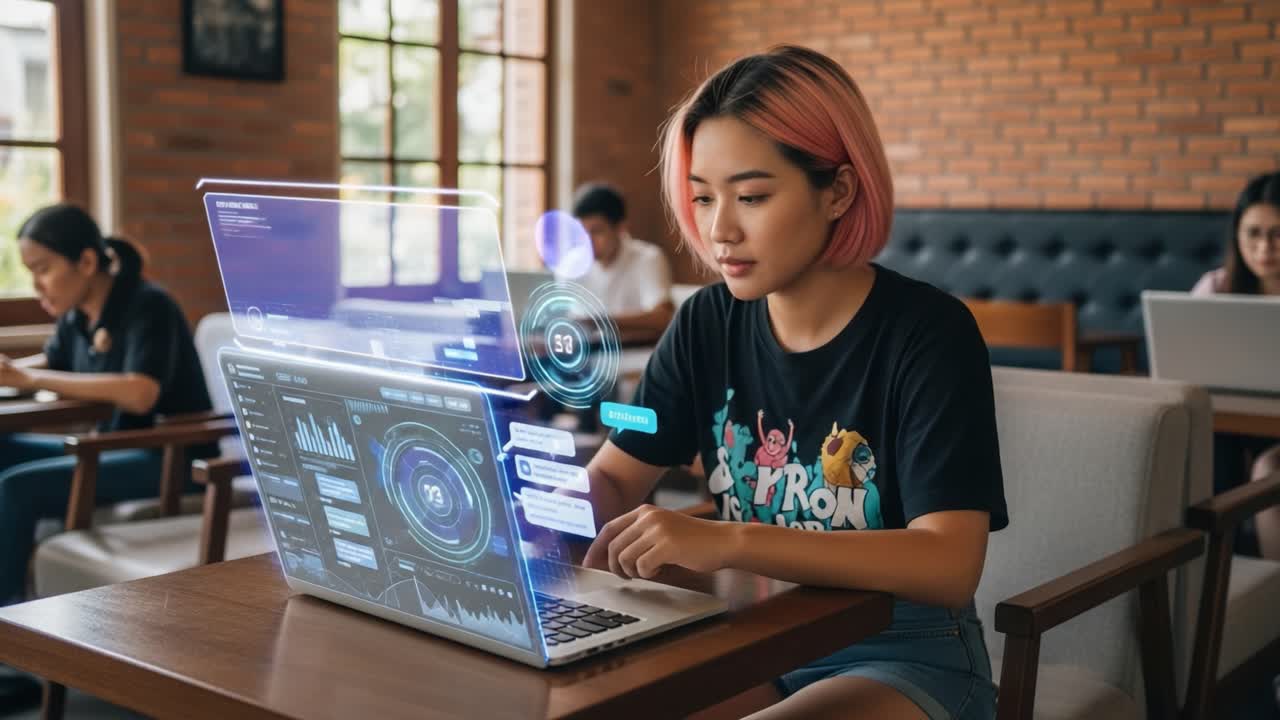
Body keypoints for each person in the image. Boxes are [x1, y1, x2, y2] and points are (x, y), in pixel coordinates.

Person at [577, 46, 1007, 719]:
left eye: (750, 196)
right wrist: (531, 507)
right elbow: (613, 477)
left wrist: (729, 538)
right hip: (751, 642)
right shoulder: (704, 325)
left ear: (837, 189)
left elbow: (948, 563)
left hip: (903, 654)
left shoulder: (928, 334)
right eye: (702, 197)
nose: (719, 230)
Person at [0, 204, 215, 609]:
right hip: (108, 450)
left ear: (85, 261)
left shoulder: (150, 306)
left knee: (19, 487)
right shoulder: (75, 318)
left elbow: (140, 392)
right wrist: (13, 372)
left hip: (170, 461)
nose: (37, 286)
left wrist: (29, 379)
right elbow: (50, 363)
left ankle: (8, 632)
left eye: (43, 269)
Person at [1191, 171, 1280, 561]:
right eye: (1254, 233)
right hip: (1228, 427)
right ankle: (1205, 586)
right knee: (1204, 453)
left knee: (1268, 468)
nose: (1265, 247)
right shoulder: (1214, 289)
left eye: (1278, 233)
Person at [563, 183, 675, 339]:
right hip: (589, 356)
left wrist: (597, 321)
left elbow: (663, 318)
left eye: (596, 231)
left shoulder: (648, 258)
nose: (587, 241)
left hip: (638, 356)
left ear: (621, 228)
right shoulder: (571, 264)